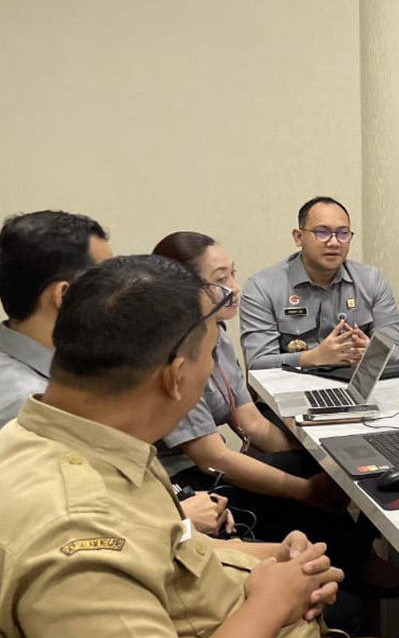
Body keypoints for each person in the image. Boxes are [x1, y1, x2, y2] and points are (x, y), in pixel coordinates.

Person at [0, 255, 399, 638]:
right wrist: (271, 603)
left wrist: (278, 562)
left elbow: (167, 554)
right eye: (210, 356)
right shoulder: (76, 530)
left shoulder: (65, 439)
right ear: (175, 376)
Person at [154, 232, 399, 620]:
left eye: (232, 274)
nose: (235, 288)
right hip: (182, 486)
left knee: (318, 464)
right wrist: (306, 491)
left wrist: (320, 446)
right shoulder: (173, 348)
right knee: (302, 494)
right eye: (221, 280)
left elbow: (252, 423)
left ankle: (358, 565)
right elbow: (211, 457)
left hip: (207, 470)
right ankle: (356, 577)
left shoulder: (215, 333)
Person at [0, 211, 229, 536]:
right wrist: (179, 522)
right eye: (104, 278)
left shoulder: (66, 365)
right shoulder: (27, 401)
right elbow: (71, 531)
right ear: (65, 295)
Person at [240, 196, 399, 369]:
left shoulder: (371, 280)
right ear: (298, 237)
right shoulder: (262, 287)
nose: (334, 242)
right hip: (293, 388)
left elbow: (398, 350)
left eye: (343, 234)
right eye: (322, 232)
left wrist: (373, 353)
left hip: (355, 388)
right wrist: (312, 358)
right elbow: (258, 362)